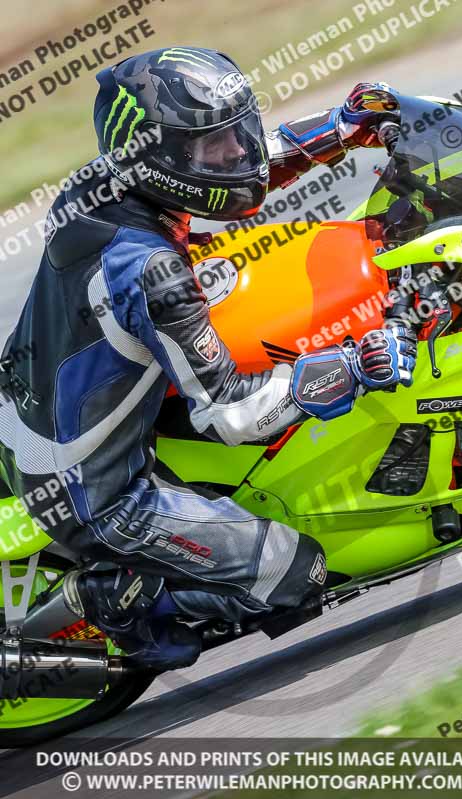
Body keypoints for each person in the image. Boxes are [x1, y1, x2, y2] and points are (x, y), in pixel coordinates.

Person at [0, 47, 416, 670]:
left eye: (236, 131)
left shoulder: (100, 186)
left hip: (24, 408)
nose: (236, 152)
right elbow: (231, 412)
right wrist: (355, 365)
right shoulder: (149, 272)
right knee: (294, 569)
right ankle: (115, 602)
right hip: (95, 493)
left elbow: (241, 170)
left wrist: (342, 129)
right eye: (211, 143)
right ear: (160, 157)